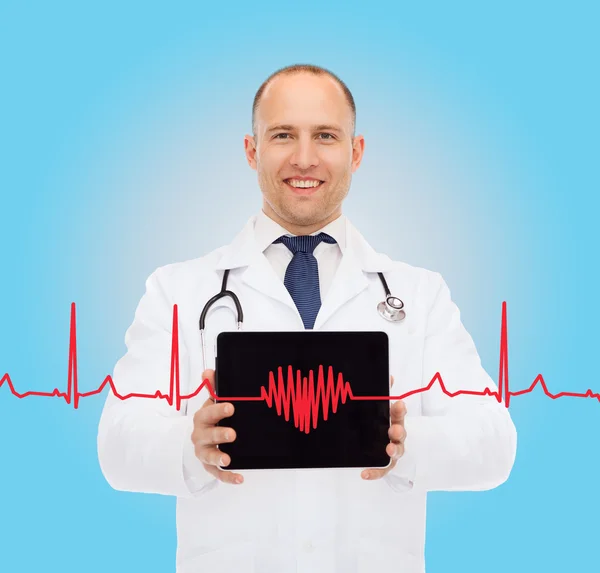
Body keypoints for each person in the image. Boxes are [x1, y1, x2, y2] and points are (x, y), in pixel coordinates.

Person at [97, 63, 517, 573]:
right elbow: (115, 447)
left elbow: (496, 446)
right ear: (252, 151)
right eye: (282, 135)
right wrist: (191, 446)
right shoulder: (178, 290)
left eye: (325, 135)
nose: (304, 158)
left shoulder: (419, 294)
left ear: (355, 152)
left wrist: (405, 442)